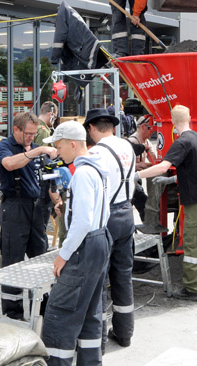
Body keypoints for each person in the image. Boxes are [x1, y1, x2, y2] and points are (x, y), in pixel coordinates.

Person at [137, 105, 197, 301]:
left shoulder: (182, 142)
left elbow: (163, 167)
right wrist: (173, 179)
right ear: (190, 118)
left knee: (193, 243)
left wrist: (135, 175)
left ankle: (193, 289)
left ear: (172, 121)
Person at [41, 121, 111, 366]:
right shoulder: (97, 168)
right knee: (90, 309)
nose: (57, 152)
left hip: (84, 247)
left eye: (59, 147)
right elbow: (99, 211)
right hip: (100, 239)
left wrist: (64, 254)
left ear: (72, 144)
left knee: (61, 311)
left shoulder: (81, 174)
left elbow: (82, 223)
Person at [0, 111, 58, 320]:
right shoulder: (5, 146)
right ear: (16, 129)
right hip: (15, 207)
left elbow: (47, 178)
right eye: (28, 133)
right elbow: (9, 164)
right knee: (12, 262)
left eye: (34, 133)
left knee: (40, 259)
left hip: (37, 207)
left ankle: (40, 310)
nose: (31, 137)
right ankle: (12, 314)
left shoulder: (35, 148)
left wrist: (56, 200)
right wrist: (38, 150)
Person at [84, 107, 136, 348]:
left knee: (99, 278)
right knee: (123, 274)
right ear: (113, 127)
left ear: (91, 128)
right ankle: (125, 333)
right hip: (127, 213)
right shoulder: (127, 146)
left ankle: (99, 340)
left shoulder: (96, 152)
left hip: (107, 217)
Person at [128, 115, 165, 233]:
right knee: (142, 202)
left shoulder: (147, 142)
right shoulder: (132, 142)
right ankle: (148, 226)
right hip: (130, 180)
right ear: (143, 127)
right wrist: (147, 165)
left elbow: (154, 161)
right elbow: (131, 165)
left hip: (137, 179)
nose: (152, 132)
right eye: (150, 129)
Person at [33, 100, 59, 253]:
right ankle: (41, 249)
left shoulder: (35, 127)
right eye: (54, 117)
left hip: (35, 179)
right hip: (43, 179)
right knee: (42, 216)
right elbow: (44, 158)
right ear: (50, 114)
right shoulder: (43, 131)